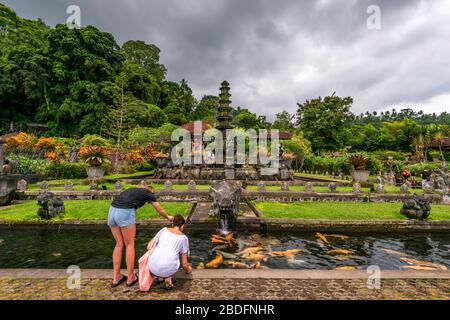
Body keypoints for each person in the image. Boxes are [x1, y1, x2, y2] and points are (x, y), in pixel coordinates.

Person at [108, 181, 173, 288]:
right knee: (130, 244)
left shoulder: (132, 190)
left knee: (119, 244)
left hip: (112, 210)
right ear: (151, 190)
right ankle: (130, 277)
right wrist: (168, 217)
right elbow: (159, 209)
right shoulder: (149, 193)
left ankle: (116, 277)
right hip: (124, 212)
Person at [147, 215, 192, 290]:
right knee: (173, 255)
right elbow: (184, 264)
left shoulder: (164, 230)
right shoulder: (184, 238)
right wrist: (189, 270)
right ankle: (167, 277)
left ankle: (160, 276)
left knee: (164, 251)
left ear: (172, 224)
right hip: (169, 269)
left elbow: (149, 246)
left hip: (152, 267)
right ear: (182, 226)